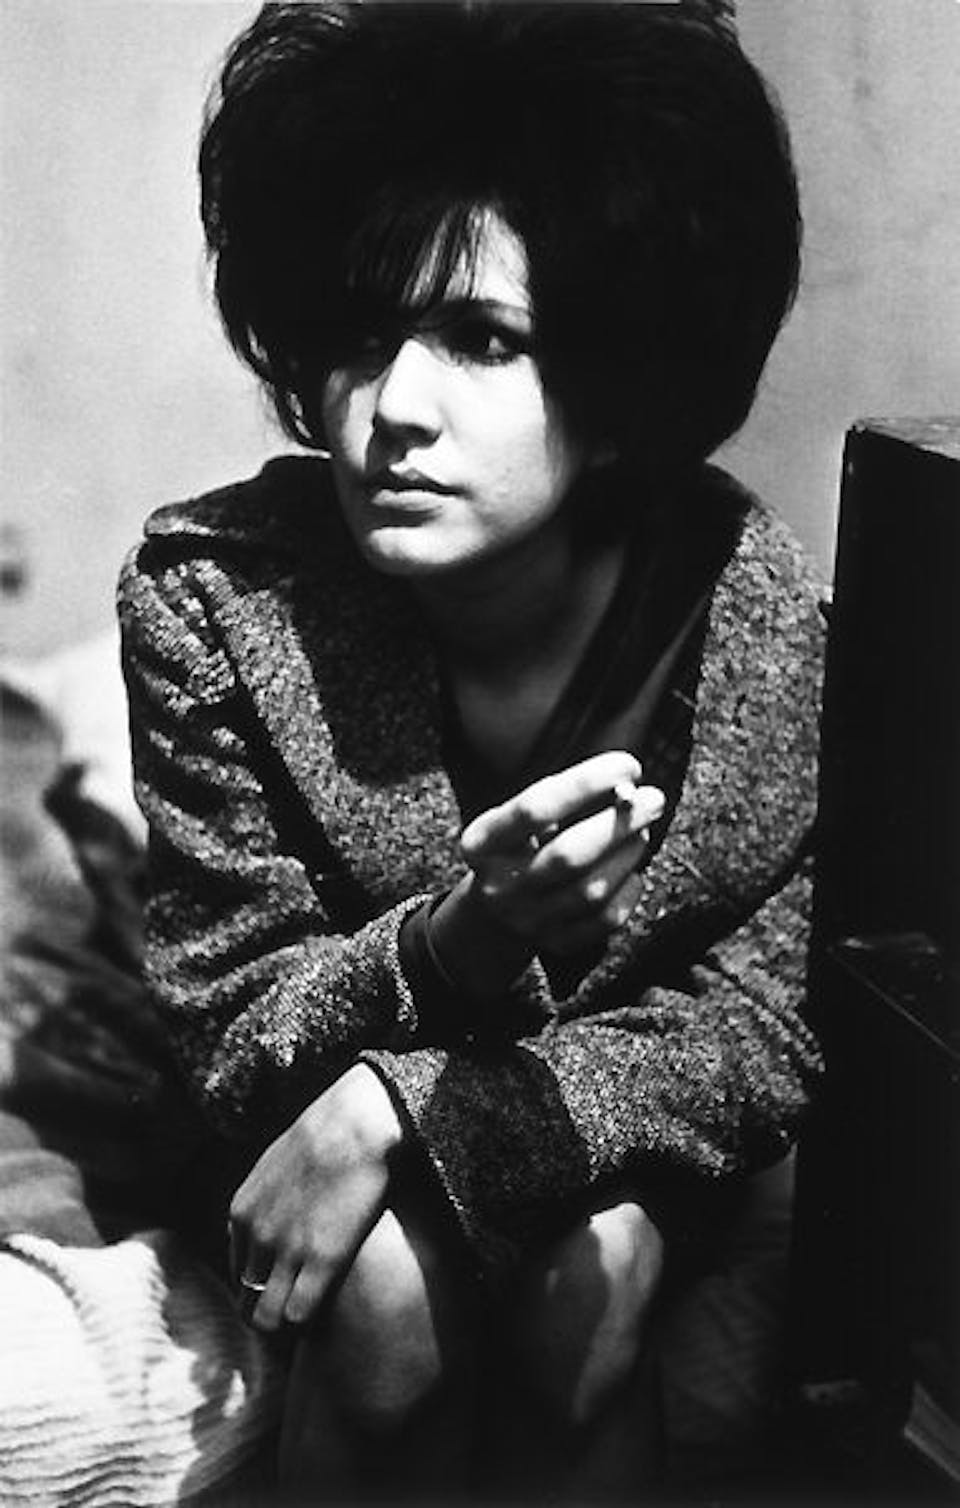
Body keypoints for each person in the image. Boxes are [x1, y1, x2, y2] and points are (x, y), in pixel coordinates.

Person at [118, 1, 824, 1498]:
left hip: (597, 1133)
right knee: (383, 1301)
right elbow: (234, 1029)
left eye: (481, 340)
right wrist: (454, 947)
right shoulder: (213, 601)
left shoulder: (743, 609)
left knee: (595, 1278)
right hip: (293, 1121)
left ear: (621, 381)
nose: (392, 411)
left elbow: (757, 1034)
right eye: (358, 337)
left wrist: (406, 1106)